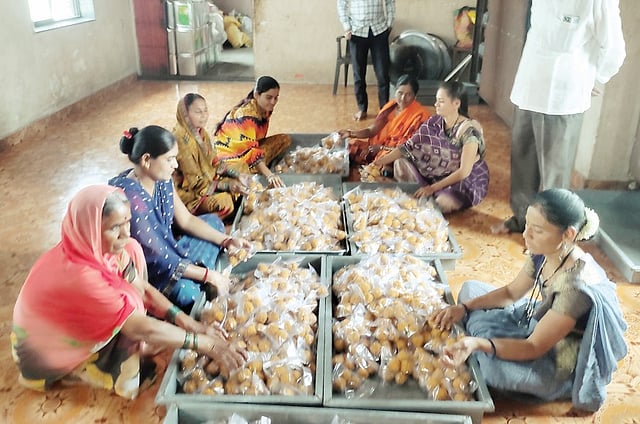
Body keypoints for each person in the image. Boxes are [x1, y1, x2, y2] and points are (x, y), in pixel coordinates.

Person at [11, 185, 246, 399]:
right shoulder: (82, 276)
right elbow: (137, 326)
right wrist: (206, 344)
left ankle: (142, 335)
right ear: (91, 230)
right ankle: (92, 361)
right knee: (136, 342)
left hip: (80, 313)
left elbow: (143, 288)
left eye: (127, 222)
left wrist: (192, 325)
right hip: (46, 343)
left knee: (133, 250)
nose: (126, 233)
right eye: (115, 227)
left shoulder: (97, 247)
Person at [433, 188, 627, 411]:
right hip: (540, 317)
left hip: (561, 353)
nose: (526, 235)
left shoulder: (575, 288)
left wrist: (477, 344)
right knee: (471, 289)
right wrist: (463, 307)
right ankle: (478, 342)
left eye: (537, 230)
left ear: (568, 234)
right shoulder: (544, 253)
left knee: (494, 371)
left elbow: (534, 346)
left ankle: (562, 385)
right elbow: (510, 293)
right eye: (526, 225)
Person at [494, 0, 626, 234]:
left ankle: (548, 234)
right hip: (529, 85)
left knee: (554, 174)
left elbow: (614, 49)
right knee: (523, 161)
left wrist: (596, 78)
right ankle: (522, 220)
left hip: (563, 96)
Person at [109, 125, 251, 313]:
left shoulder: (161, 179)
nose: (175, 165)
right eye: (170, 159)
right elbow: (160, 260)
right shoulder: (132, 201)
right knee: (186, 292)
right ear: (146, 160)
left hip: (170, 253)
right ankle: (204, 279)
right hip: (153, 273)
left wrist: (227, 240)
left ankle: (202, 276)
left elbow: (186, 220)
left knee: (214, 223)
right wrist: (209, 276)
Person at [372, 80, 489, 213]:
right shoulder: (434, 122)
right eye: (436, 100)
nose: (435, 104)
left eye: (441, 101)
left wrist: (432, 188)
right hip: (434, 173)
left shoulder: (469, 132)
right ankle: (424, 192)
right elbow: (407, 147)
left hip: (462, 180)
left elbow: (464, 172)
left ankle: (428, 193)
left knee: (442, 203)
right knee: (400, 163)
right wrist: (378, 162)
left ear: (456, 103)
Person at [172, 93, 250, 220]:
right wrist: (227, 185)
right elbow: (196, 183)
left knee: (242, 167)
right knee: (225, 202)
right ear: (185, 114)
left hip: (209, 179)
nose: (204, 115)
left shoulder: (201, 132)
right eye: (198, 112)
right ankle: (199, 223)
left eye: (205, 110)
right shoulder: (182, 141)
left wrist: (236, 174)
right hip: (191, 194)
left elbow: (214, 161)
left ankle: (235, 200)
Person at [213, 76, 291, 188]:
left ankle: (260, 166)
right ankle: (256, 170)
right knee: (248, 167)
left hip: (248, 149)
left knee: (284, 139)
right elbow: (249, 151)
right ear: (256, 94)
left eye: (276, 98)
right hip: (231, 158)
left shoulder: (264, 109)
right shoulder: (247, 115)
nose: (273, 102)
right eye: (269, 97)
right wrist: (269, 175)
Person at [338, 74, 430, 166]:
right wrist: (350, 133)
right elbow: (371, 130)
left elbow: (408, 150)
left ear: (415, 96)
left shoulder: (420, 116)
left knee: (386, 162)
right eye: (400, 93)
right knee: (350, 147)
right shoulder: (390, 107)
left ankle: (376, 167)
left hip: (397, 153)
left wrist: (381, 148)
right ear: (395, 92)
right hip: (376, 147)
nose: (403, 98)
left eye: (408, 94)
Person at [337, 0, 395, 121]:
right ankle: (362, 109)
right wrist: (347, 27)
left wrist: (389, 23)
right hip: (357, 31)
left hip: (379, 30)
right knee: (358, 74)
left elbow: (390, 2)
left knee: (383, 74)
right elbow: (341, 3)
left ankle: (384, 110)